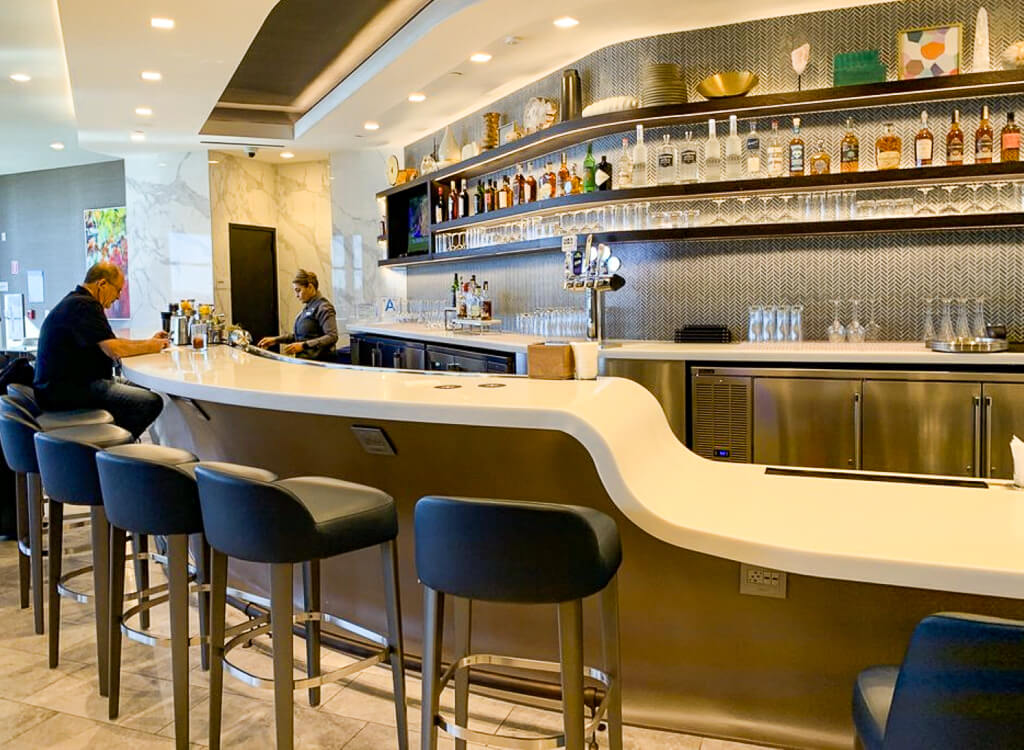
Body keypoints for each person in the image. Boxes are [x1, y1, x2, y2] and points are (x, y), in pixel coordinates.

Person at [33, 262, 168, 439]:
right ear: (102, 284)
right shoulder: (84, 305)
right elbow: (115, 350)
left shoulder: (76, 302)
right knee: (151, 402)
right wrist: (152, 346)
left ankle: (113, 435)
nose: (118, 297)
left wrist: (150, 342)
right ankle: (113, 444)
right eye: (118, 290)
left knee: (142, 386)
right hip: (67, 390)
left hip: (65, 384)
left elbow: (111, 343)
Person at [257, 269, 338, 361]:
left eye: (298, 290)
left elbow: (332, 336)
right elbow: (300, 336)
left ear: (310, 287)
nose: (297, 295)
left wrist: (304, 345)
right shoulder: (308, 307)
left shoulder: (323, 307)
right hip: (306, 362)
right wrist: (275, 340)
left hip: (320, 365)